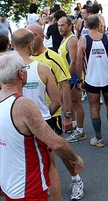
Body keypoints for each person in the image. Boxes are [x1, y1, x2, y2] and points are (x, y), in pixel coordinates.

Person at [0, 53, 83, 201]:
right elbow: (56, 143)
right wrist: (75, 158)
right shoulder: (23, 104)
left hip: (8, 184)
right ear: (21, 74)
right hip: (29, 186)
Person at [26, 23, 84, 200]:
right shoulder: (22, 59)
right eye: (28, 35)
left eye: (33, 35)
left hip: (51, 114)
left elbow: (65, 86)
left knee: (57, 152)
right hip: (27, 117)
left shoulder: (53, 58)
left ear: (42, 37)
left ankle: (76, 179)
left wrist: (67, 115)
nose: (30, 39)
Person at [76, 15, 108, 147]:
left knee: (94, 107)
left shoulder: (83, 41)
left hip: (91, 79)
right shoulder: (107, 38)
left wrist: (79, 79)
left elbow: (78, 62)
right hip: (107, 77)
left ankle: (98, 138)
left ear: (86, 26)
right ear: (99, 24)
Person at [58, 16, 87, 143]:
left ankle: (80, 131)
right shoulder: (64, 39)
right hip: (65, 76)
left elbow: (74, 61)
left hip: (72, 76)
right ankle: (74, 124)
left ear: (70, 26)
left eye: (63, 25)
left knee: (76, 103)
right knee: (68, 102)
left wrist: (68, 79)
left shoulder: (71, 40)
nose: (60, 28)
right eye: (58, 25)